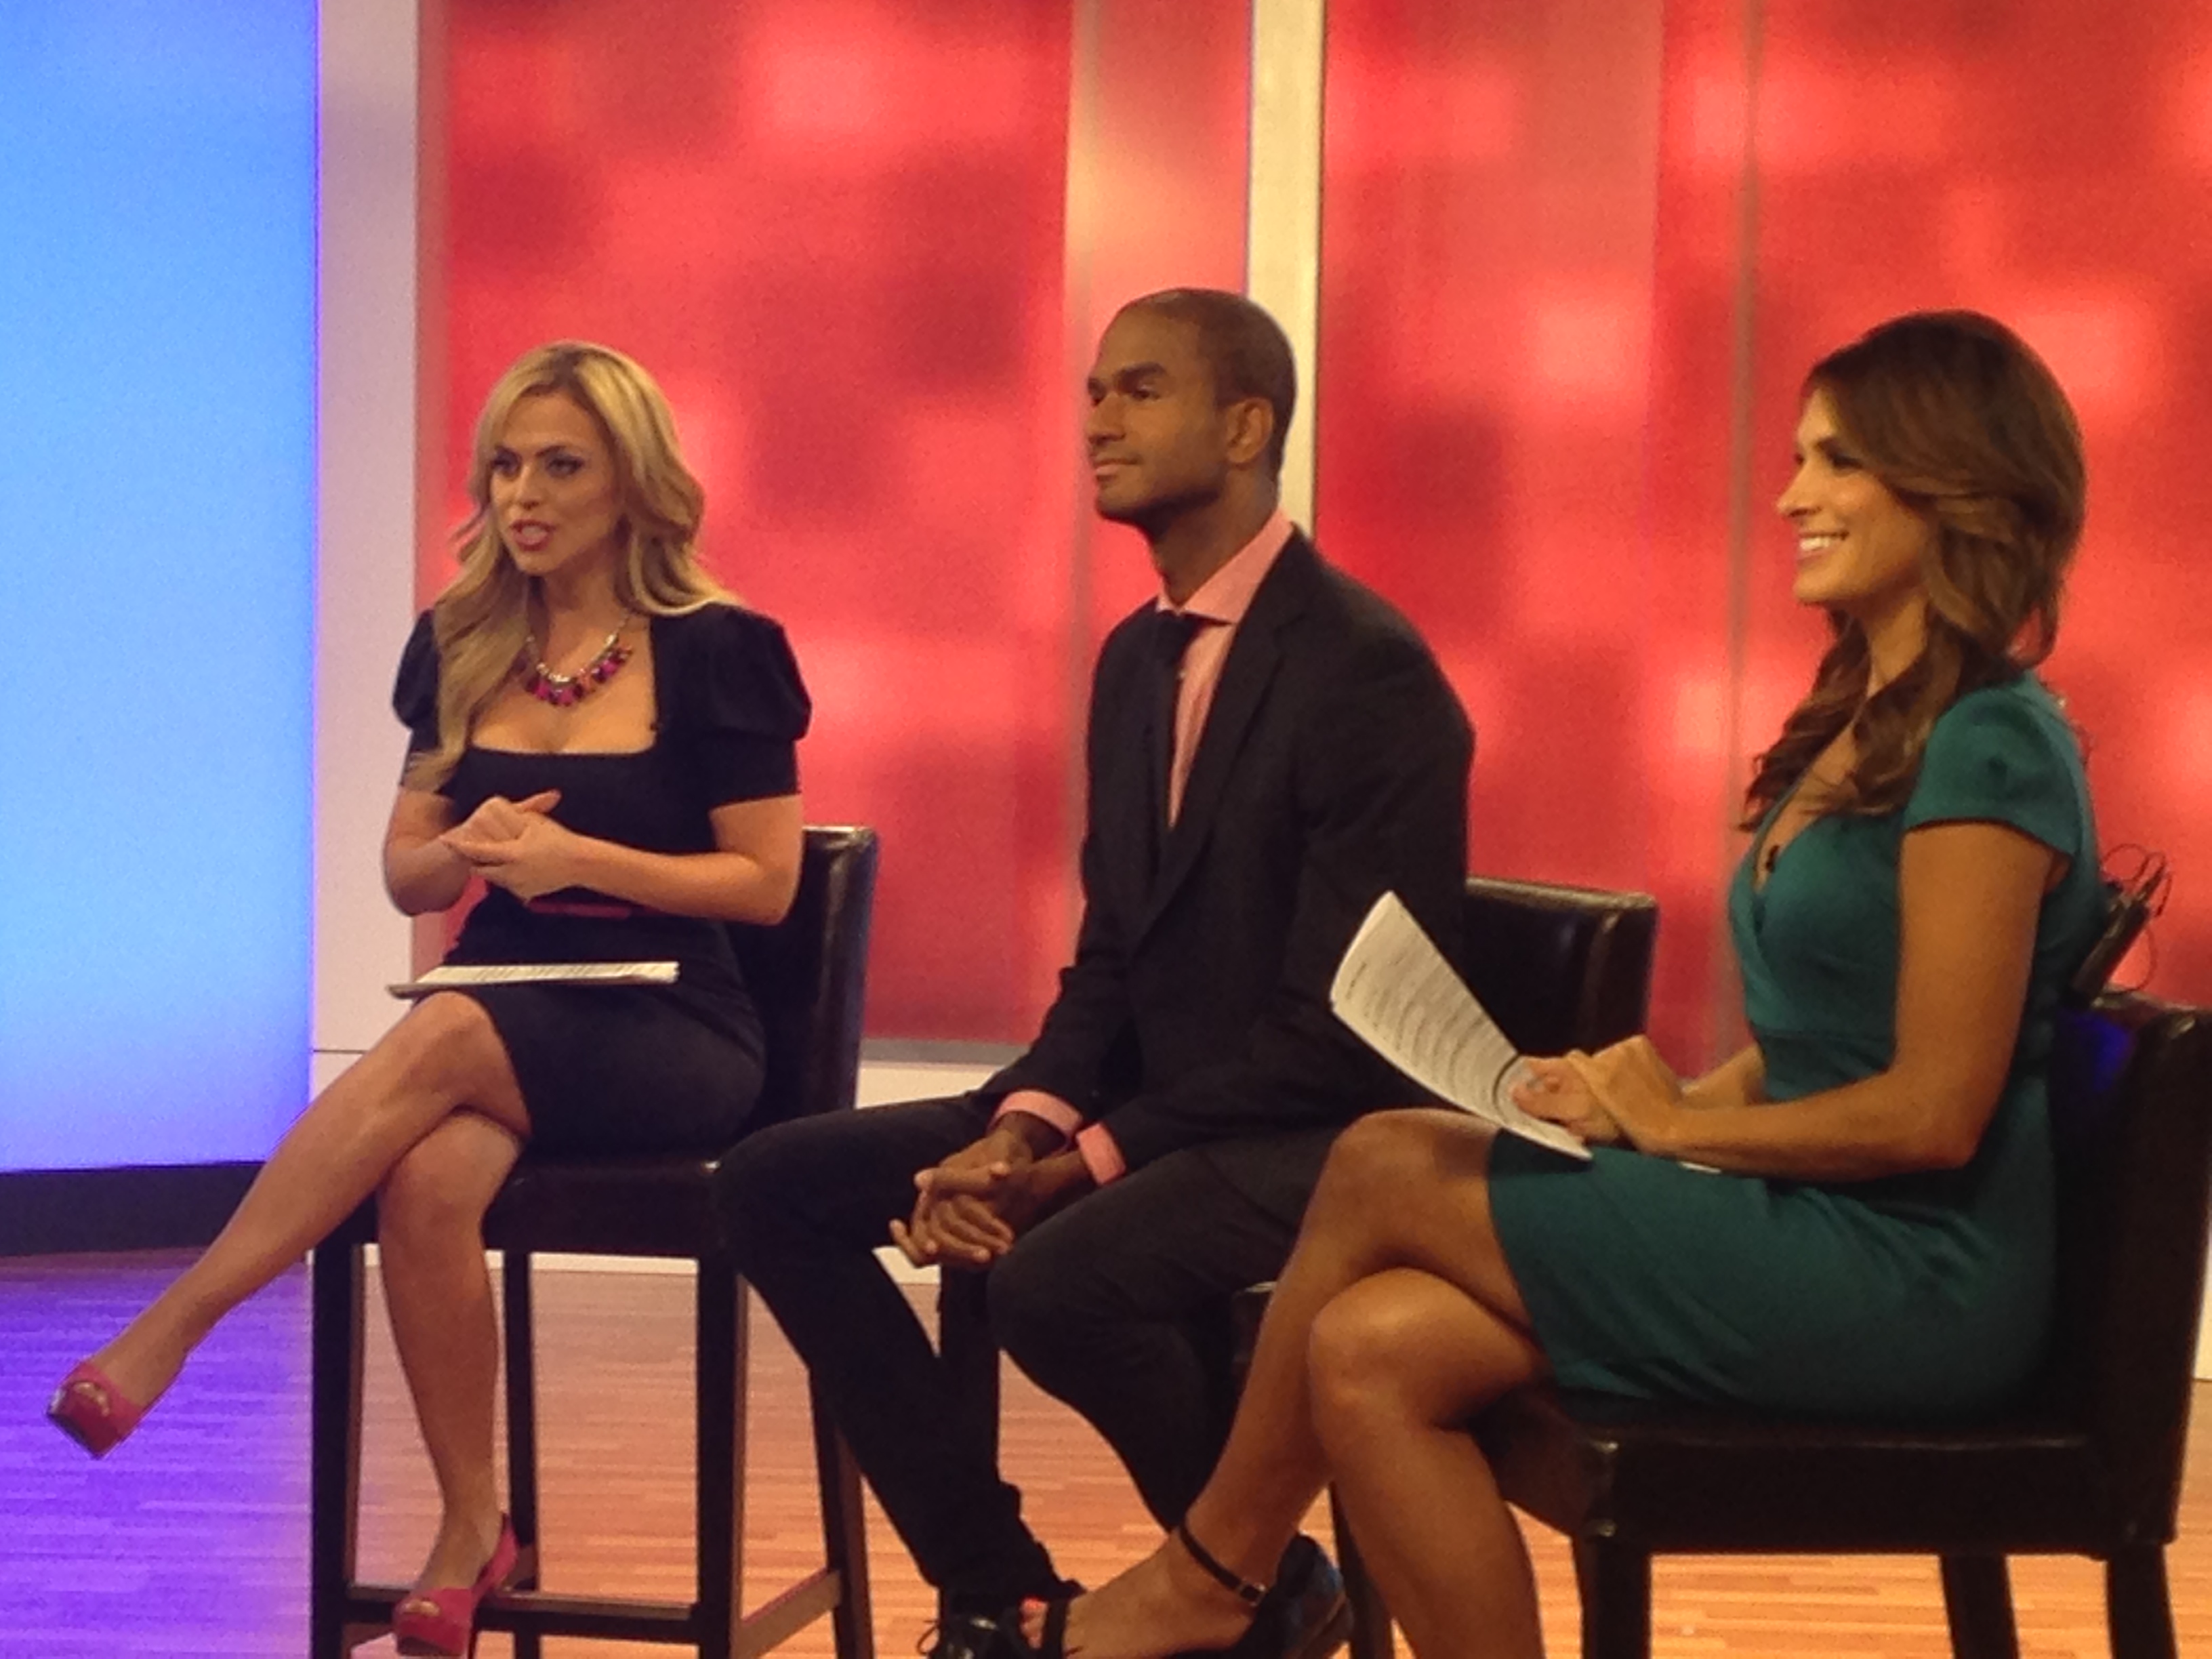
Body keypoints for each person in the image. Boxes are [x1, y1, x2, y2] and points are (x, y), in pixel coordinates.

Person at [1021, 308, 2109, 1659]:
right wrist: (1637, 1101)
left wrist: (1681, 1130)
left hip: (1917, 1276)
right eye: (1797, 460)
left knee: (1385, 1157)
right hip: (1815, 1226)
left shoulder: (1992, 747)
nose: (1791, 497)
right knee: (1369, 1351)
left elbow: (1934, 1111)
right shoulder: (1860, 728)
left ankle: (1212, 1572)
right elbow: (1820, 1040)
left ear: (1955, 487)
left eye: (1839, 462)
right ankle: (1230, 1576)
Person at [722, 289, 1473, 1659]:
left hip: (1317, 1129)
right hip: (1156, 1106)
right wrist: (1021, 1132)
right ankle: (999, 1587)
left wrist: (1086, 1165)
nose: (1098, 421)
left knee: (1053, 1277)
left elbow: (1341, 1035)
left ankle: (1249, 1582)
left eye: (1139, 389)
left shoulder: (1366, 670)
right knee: (775, 1185)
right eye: (1093, 392)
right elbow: (1113, 960)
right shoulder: (1136, 660)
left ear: (1245, 426)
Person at [47, 341, 810, 1659]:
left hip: (673, 1018)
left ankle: (178, 1324)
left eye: (560, 466)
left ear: (632, 483)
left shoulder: (721, 651)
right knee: (427, 1182)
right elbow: (408, 874)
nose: (524, 494)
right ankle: (472, 1530)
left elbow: (767, 883)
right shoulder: (462, 642)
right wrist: (469, 848)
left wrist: (582, 860)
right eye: (505, 465)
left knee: (446, 1027)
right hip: (501, 994)